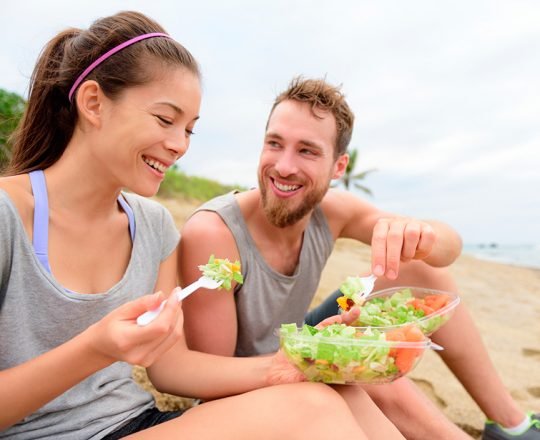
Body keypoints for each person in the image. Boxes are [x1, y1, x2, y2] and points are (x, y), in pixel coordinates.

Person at [0, 13, 407, 440]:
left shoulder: (153, 225)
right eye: (164, 119)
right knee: (313, 411)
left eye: (189, 129)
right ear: (94, 103)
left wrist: (297, 360)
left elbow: (172, 369)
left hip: (137, 422)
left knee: (338, 393)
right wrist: (95, 349)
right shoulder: (9, 216)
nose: (179, 145)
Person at [179, 77, 540, 440]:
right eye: (275, 144)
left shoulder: (331, 210)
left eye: (307, 151)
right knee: (383, 381)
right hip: (251, 377)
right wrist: (325, 358)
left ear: (339, 168)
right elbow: (211, 385)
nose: (284, 166)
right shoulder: (215, 233)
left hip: (301, 334)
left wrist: (421, 235)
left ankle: (511, 425)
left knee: (418, 264)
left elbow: (450, 247)